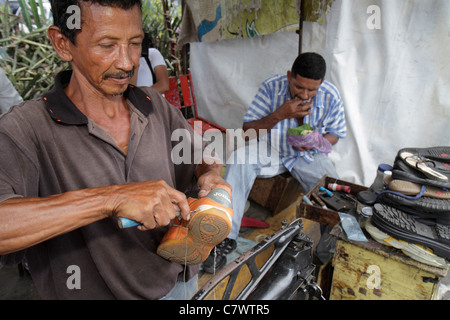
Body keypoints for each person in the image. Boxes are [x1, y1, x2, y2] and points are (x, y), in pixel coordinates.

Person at [0, 0, 230, 300]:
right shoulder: (25, 128)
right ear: (62, 43)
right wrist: (111, 198)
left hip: (180, 285)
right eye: (107, 45)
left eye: (135, 43)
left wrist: (210, 175)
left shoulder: (152, 103)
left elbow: (201, 154)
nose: (126, 62)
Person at [202, 52, 347, 273]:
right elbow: (248, 132)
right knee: (239, 159)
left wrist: (316, 141)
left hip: (308, 156)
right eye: (299, 87)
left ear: (322, 84)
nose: (305, 94)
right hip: (272, 148)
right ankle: (224, 240)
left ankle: (328, 247)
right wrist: (280, 114)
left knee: (334, 194)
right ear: (290, 76)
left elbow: (335, 134)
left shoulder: (330, 95)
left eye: (312, 90)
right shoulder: (272, 87)